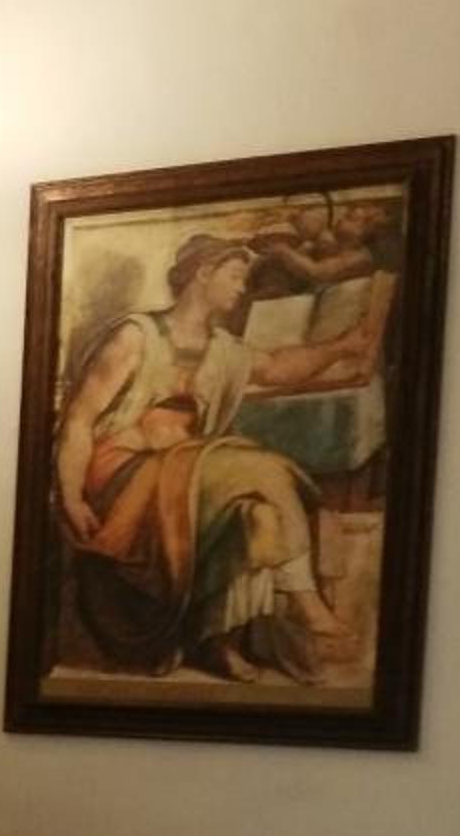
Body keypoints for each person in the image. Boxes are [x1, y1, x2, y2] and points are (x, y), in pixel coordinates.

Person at [53, 232, 379, 682]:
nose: (242, 289)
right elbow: (78, 419)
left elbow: (278, 366)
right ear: (203, 274)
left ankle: (217, 641)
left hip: (189, 474)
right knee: (255, 464)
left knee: (257, 515)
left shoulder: (223, 348)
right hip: (124, 474)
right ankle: (308, 603)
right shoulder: (135, 336)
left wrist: (342, 346)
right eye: (235, 276)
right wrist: (71, 496)